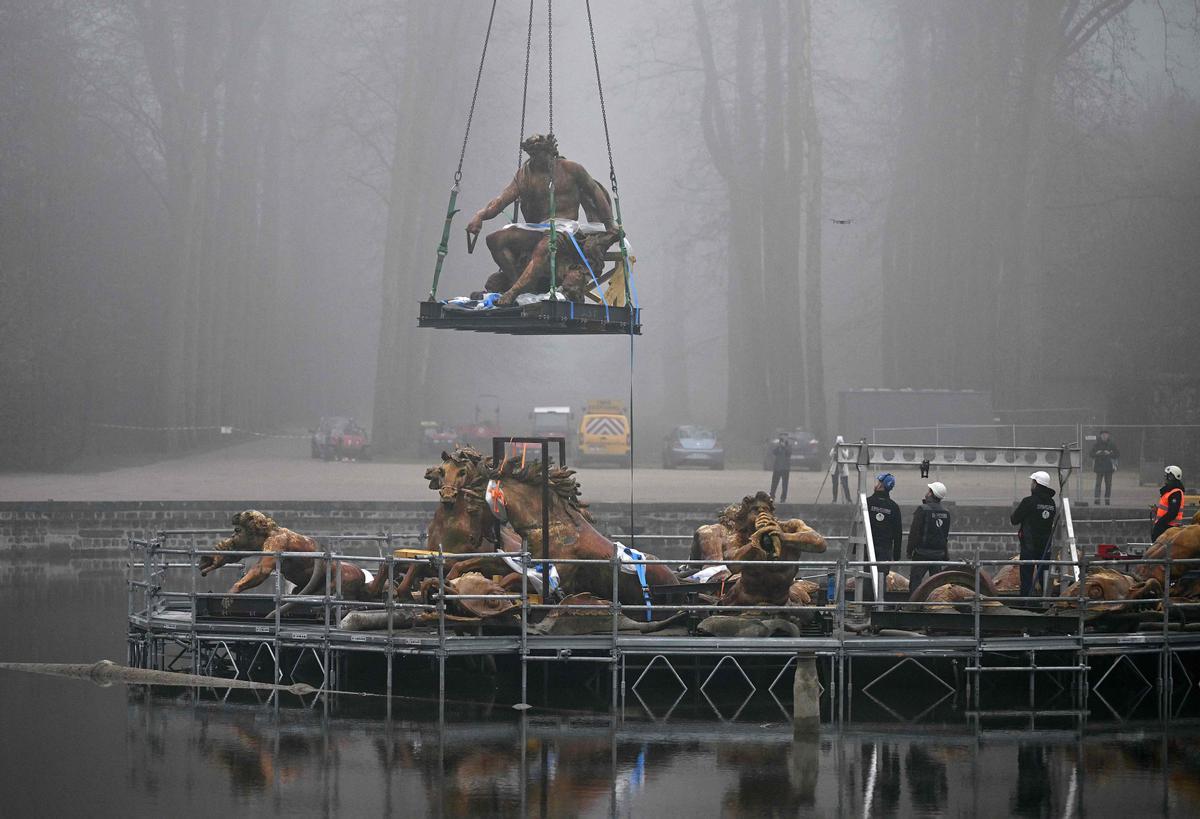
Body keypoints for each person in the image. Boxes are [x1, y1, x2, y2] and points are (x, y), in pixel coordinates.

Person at [466, 133, 617, 305]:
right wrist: (480, 216)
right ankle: (520, 285)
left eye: (540, 154)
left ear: (551, 151)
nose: (536, 159)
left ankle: (513, 292)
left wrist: (609, 224)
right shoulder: (525, 173)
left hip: (565, 229)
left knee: (545, 246)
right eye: (532, 155)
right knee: (494, 240)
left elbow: (595, 192)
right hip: (536, 228)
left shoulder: (571, 169)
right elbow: (501, 201)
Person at [1011, 471, 1058, 600]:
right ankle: (1045, 602)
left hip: (1029, 546)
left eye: (1032, 482)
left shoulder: (1028, 501)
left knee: (1026, 578)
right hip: (1045, 547)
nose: (1031, 484)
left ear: (1036, 484)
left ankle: (1025, 604)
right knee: (1044, 576)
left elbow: (1014, 519)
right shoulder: (1052, 504)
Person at [907, 481, 951, 593]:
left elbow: (914, 533)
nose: (926, 493)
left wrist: (909, 551)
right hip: (938, 554)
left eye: (929, 491)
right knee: (937, 584)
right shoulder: (946, 512)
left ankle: (914, 606)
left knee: (916, 582)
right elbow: (944, 535)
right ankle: (936, 605)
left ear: (931, 494)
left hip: (922, 553)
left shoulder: (922, 509)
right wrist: (945, 554)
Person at [866, 472, 903, 600]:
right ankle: (879, 605)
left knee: (866, 577)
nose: (876, 485)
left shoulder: (868, 503)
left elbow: (860, 526)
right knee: (881, 578)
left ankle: (866, 605)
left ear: (881, 485)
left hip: (868, 548)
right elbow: (898, 533)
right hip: (885, 549)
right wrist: (896, 554)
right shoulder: (894, 507)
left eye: (878, 482)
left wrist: (855, 548)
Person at [1152, 465, 1186, 542]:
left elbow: (1172, 513)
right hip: (1165, 526)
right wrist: (1157, 511)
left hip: (1168, 528)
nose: (1165, 478)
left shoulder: (1175, 493)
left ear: (1171, 477)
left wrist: (1159, 524)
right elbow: (1167, 509)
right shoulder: (1170, 491)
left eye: (1167, 476)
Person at [1089, 430, 1120, 506]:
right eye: (1103, 435)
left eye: (1106, 435)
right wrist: (1097, 453)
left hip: (1109, 468)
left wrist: (1109, 454)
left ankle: (1107, 500)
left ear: (1108, 435)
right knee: (1098, 484)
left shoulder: (1112, 444)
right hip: (1099, 468)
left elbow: (1117, 454)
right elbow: (1091, 454)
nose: (1104, 436)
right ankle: (1097, 500)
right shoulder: (1096, 444)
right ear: (1100, 436)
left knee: (1108, 485)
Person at [769, 432, 793, 503]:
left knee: (785, 484)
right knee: (774, 483)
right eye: (782, 437)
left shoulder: (788, 445)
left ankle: (783, 497)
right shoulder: (777, 445)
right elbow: (774, 452)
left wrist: (784, 447)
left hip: (785, 468)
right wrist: (779, 446)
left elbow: (789, 453)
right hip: (777, 467)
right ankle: (772, 496)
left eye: (785, 437)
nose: (783, 439)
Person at [829, 435, 851, 503]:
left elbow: (846, 456)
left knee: (845, 484)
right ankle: (834, 499)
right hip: (835, 467)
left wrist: (841, 449)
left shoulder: (845, 449)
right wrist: (836, 449)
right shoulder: (834, 448)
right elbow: (830, 455)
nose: (839, 444)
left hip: (843, 467)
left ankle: (848, 499)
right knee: (835, 484)